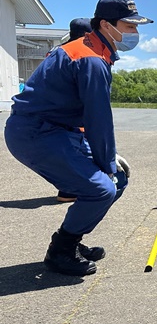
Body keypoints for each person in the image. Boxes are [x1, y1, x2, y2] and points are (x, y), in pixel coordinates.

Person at [4, 0, 152, 276]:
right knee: (101, 188)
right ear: (106, 25)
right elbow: (98, 119)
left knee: (116, 181)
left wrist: (107, 159)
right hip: (36, 133)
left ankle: (73, 240)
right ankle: (60, 251)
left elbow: (82, 111)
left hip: (58, 130)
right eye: (129, 25)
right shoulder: (91, 59)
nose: (135, 32)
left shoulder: (94, 50)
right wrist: (105, 160)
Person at [56, 18, 93, 203]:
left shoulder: (57, 52)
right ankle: (71, 190)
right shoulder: (81, 54)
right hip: (70, 117)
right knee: (79, 154)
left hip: (55, 116)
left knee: (69, 154)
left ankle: (68, 190)